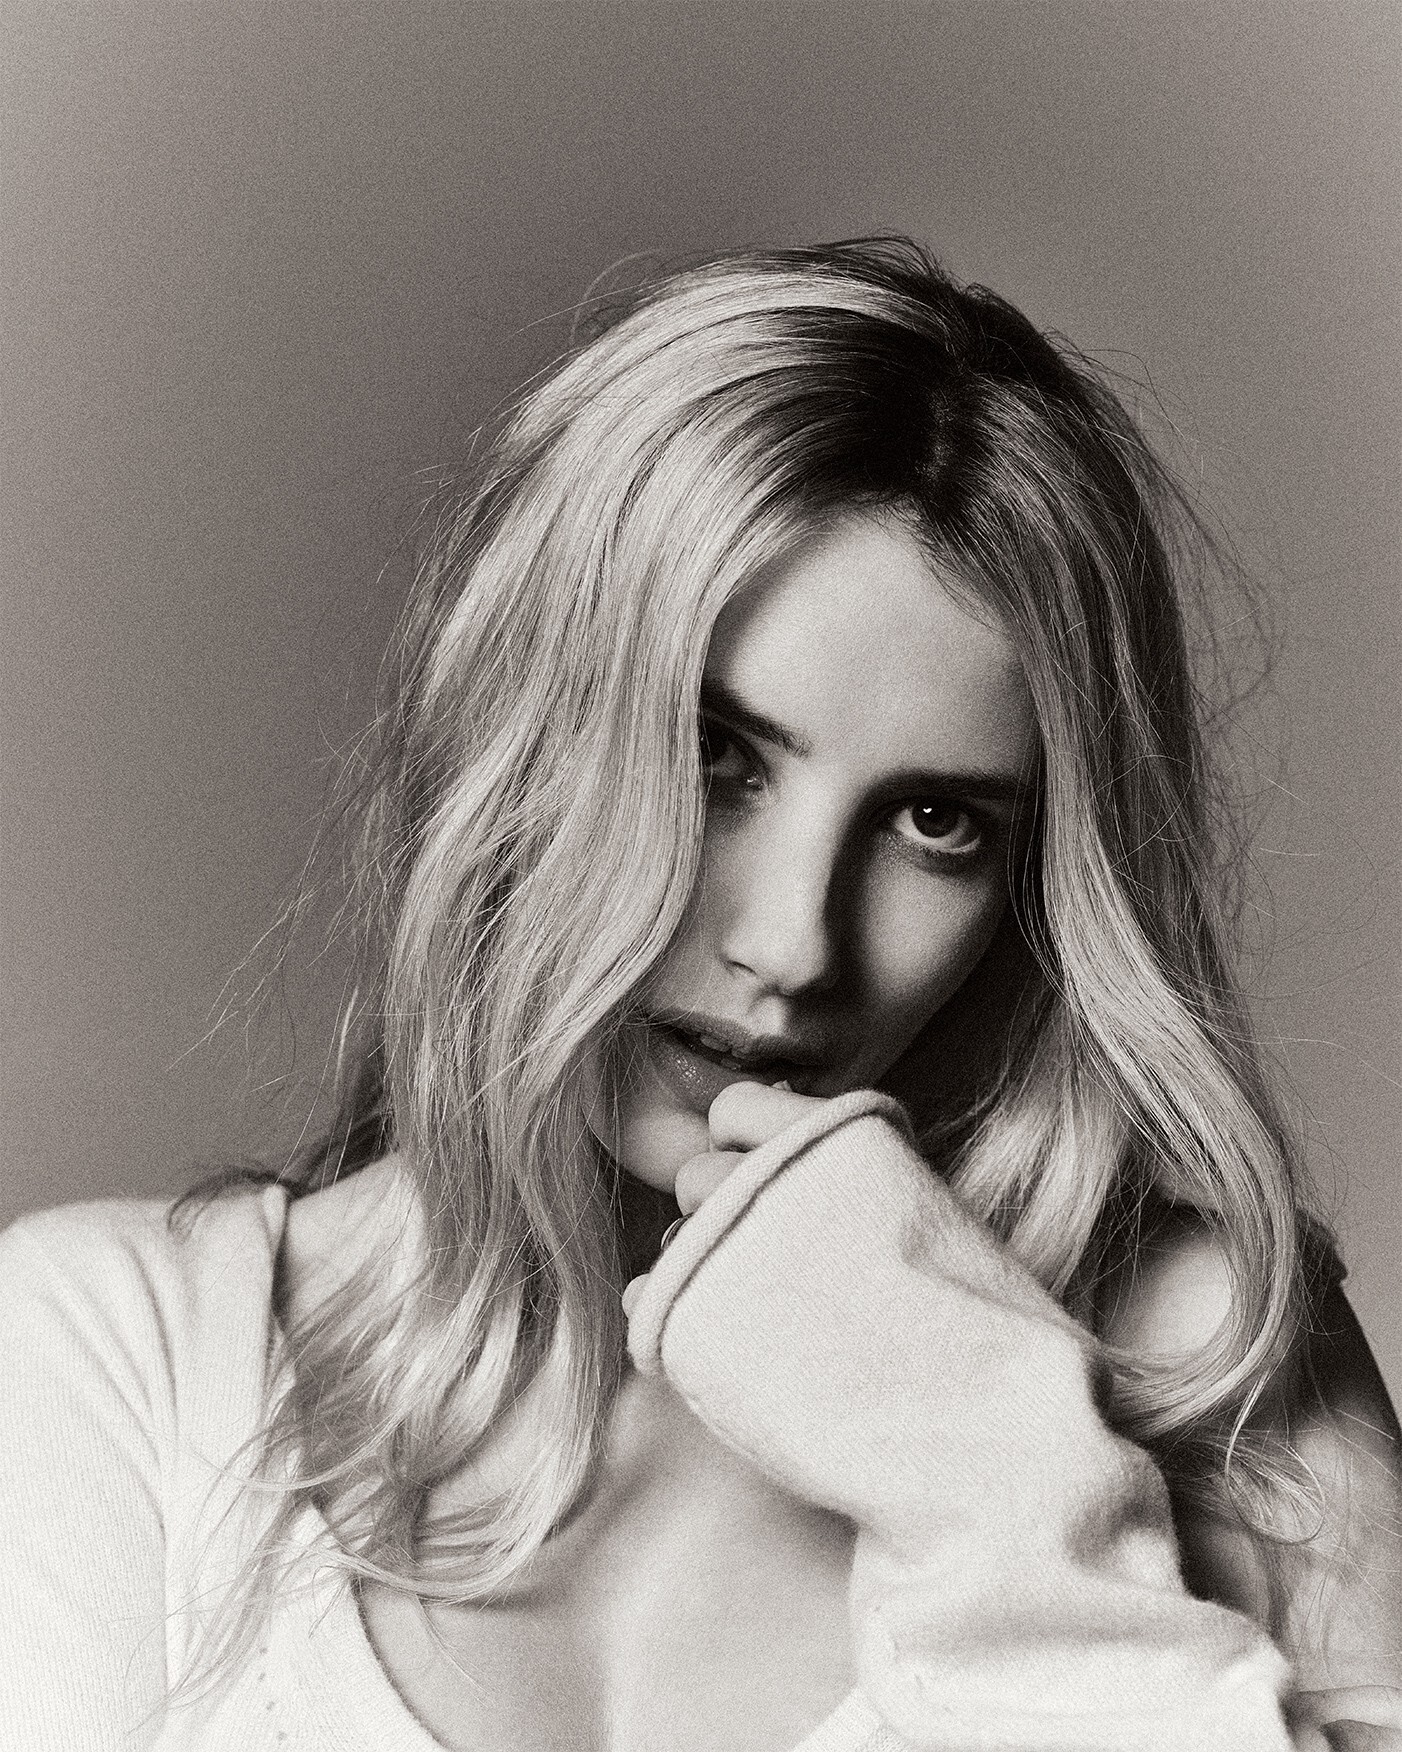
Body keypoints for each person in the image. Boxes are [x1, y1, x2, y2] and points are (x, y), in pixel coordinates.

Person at [2, 240, 1399, 1752]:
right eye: (712, 757)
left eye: (935, 823)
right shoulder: (119, 1360)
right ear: (522, 739)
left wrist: (990, 1472)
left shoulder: (1216, 1366)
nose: (796, 945)